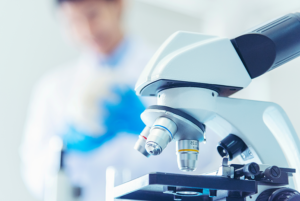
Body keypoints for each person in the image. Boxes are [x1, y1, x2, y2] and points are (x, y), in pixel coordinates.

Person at [20, 0, 221, 200]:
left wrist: (150, 127)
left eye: (93, 15)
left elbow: (208, 157)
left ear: (118, 5)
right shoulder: (54, 89)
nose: (87, 30)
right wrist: (66, 147)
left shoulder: (173, 70)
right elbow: (35, 177)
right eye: (73, 21)